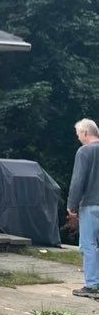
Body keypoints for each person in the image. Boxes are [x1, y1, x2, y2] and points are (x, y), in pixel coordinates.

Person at [66, 118, 99, 298]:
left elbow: (78, 181)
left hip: (91, 205)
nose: (78, 137)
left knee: (89, 244)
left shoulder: (84, 152)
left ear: (85, 133)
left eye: (78, 134)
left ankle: (92, 285)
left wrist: (72, 205)